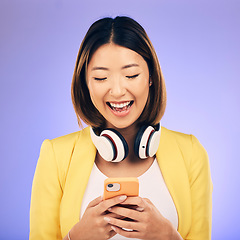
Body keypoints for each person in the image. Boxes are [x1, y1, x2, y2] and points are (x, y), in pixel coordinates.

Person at [30, 16, 213, 240]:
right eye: (100, 77)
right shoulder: (55, 156)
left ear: (151, 77)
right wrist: (75, 238)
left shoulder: (191, 154)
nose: (117, 91)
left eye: (131, 75)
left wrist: (168, 237)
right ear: (86, 83)